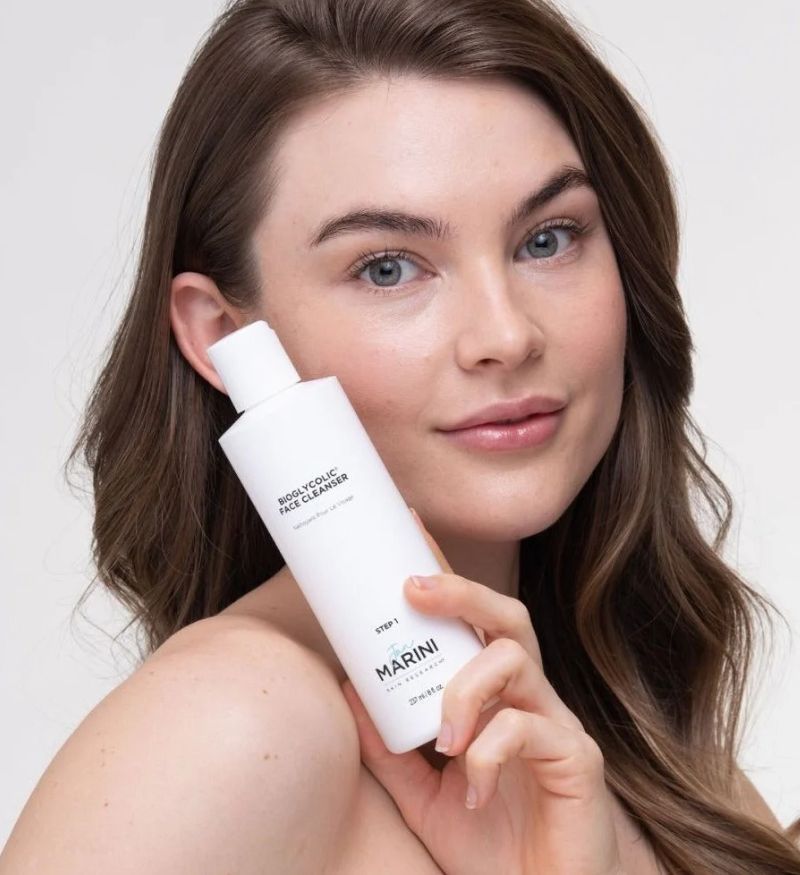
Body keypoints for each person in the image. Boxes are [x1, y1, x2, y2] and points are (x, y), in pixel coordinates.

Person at [2, 0, 799, 872]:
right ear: (225, 335)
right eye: (387, 267)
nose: (506, 334)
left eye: (548, 239)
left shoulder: (643, 727)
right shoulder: (229, 727)